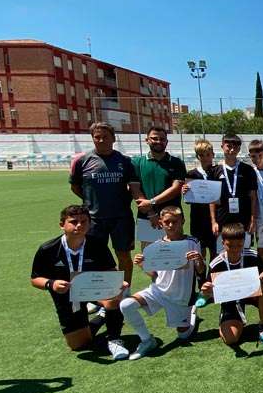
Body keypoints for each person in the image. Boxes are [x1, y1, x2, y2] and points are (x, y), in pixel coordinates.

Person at [30, 205, 128, 359]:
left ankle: (114, 339)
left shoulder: (97, 244)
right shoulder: (48, 249)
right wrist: (52, 284)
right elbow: (35, 279)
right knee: (79, 345)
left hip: (92, 289)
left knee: (113, 299)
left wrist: (118, 283)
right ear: (62, 225)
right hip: (65, 295)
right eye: (73, 222)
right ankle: (102, 317)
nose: (79, 225)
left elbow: (110, 270)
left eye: (84, 221)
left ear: (89, 224)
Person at [119, 206, 204, 360]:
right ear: (161, 223)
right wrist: (142, 264)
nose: (171, 225)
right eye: (167, 222)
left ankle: (191, 312)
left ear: (182, 221)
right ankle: (147, 340)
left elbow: (200, 270)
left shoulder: (192, 242)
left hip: (181, 297)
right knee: (126, 305)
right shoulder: (155, 246)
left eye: (175, 221)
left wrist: (198, 260)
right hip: (158, 291)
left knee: (183, 336)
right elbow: (154, 274)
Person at [69, 122, 140, 288]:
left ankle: (124, 291)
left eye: (105, 137)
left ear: (113, 138)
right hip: (93, 219)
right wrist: (91, 200)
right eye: (97, 137)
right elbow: (75, 186)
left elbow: (133, 187)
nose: (101, 140)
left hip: (121, 218)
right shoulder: (82, 161)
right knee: (92, 256)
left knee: (123, 255)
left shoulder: (125, 161)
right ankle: (98, 294)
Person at [201, 223, 263, 348]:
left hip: (252, 294)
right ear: (223, 243)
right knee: (231, 339)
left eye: (239, 245)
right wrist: (206, 292)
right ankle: (231, 320)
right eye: (230, 245)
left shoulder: (253, 256)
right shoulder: (216, 264)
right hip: (230, 299)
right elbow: (209, 293)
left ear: (244, 242)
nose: (235, 249)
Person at [132, 126, 186, 243]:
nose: (158, 142)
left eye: (162, 139)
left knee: (176, 256)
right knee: (150, 256)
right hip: (146, 218)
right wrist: (151, 213)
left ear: (166, 141)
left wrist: (151, 202)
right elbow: (135, 190)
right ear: (147, 140)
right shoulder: (136, 163)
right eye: (154, 138)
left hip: (173, 218)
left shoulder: (177, 163)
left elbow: (176, 188)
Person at [209, 135, 258, 237]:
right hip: (222, 222)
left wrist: (253, 220)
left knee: (244, 252)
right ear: (222, 146)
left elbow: (253, 197)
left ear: (239, 149)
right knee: (222, 252)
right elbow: (212, 199)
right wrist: (214, 222)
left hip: (243, 222)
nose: (232, 150)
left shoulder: (248, 170)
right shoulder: (215, 171)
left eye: (235, 147)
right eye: (229, 146)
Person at [183, 139, 218, 261]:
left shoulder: (218, 172)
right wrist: (185, 192)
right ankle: (201, 278)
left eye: (208, 154)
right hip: (198, 219)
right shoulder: (191, 174)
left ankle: (213, 278)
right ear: (197, 156)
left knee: (215, 252)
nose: (205, 158)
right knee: (199, 253)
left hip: (216, 219)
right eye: (202, 155)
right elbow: (187, 201)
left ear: (213, 154)